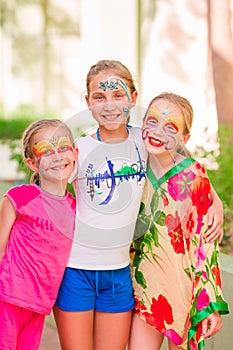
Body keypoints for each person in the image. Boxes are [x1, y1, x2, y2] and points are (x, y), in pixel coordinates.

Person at [53, 60, 224, 350]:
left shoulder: (142, 139)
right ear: (87, 102)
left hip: (128, 276)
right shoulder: (80, 148)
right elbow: (46, 190)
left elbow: (185, 164)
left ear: (133, 99)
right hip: (85, 272)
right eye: (99, 97)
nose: (109, 105)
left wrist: (214, 200)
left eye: (118, 95)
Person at [128, 92, 229, 350]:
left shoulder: (192, 175)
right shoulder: (133, 164)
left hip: (185, 289)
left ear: (184, 138)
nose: (158, 131)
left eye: (170, 127)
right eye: (151, 121)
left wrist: (209, 304)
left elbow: (205, 244)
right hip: (143, 288)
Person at [0, 119, 78, 350]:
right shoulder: (21, 197)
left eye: (63, 147)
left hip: (40, 305)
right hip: (7, 298)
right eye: (46, 150)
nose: (57, 156)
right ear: (33, 163)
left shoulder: (76, 208)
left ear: (74, 153)